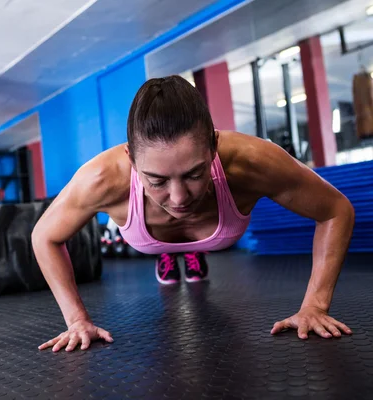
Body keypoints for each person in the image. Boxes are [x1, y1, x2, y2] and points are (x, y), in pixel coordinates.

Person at [31, 75, 355, 353]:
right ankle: (170, 252)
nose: (178, 197)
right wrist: (76, 320)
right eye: (156, 180)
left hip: (212, 229)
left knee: (193, 240)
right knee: (173, 242)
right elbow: (43, 236)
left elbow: (335, 210)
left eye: (195, 174)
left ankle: (194, 248)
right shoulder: (101, 178)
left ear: (213, 146)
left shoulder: (252, 161)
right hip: (150, 239)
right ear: (130, 158)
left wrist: (315, 306)